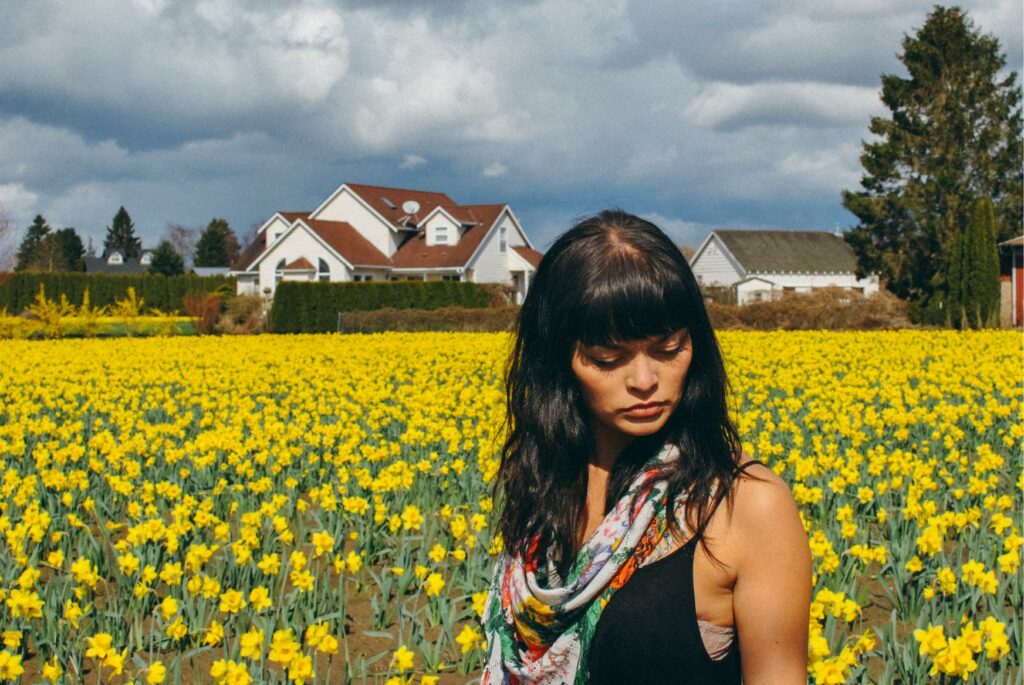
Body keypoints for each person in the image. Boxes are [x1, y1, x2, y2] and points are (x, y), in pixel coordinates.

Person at [480, 210, 811, 685]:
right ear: (558, 361)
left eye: (669, 349)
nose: (645, 381)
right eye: (607, 359)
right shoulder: (545, 487)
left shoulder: (748, 505)